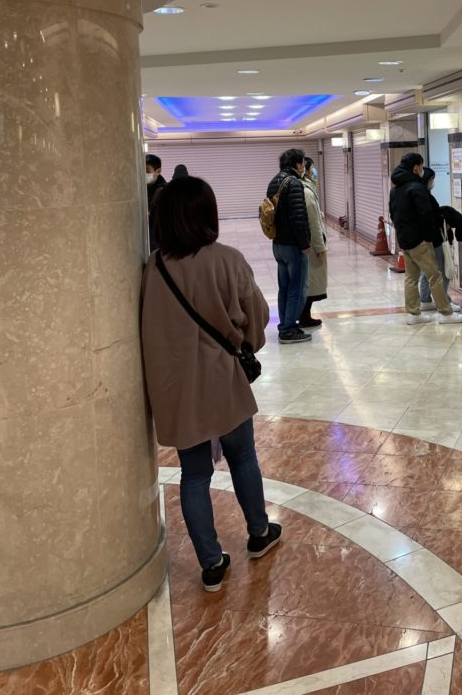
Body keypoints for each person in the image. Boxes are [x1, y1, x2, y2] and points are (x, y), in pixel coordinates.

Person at [140, 175, 281, 592]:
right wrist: (246, 343)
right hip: (222, 381)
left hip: (176, 389)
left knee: (194, 475)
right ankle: (259, 532)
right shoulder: (228, 260)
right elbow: (256, 318)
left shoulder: (153, 268)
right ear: (208, 215)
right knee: (243, 457)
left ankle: (211, 563)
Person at [388, 152, 462, 325]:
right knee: (435, 276)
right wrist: (428, 238)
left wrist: (403, 235)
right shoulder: (417, 188)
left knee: (411, 277)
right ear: (415, 167)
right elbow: (426, 216)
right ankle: (446, 313)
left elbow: (393, 214)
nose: (422, 169)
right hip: (420, 242)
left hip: (405, 241)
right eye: (421, 166)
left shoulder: (395, 189)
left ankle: (413, 314)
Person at [266, 148, 312, 344]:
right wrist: (305, 244)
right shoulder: (294, 183)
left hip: (278, 244)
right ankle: (289, 330)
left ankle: (284, 324)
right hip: (293, 245)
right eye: (302, 163)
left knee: (284, 287)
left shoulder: (273, 182)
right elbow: (298, 217)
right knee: (296, 288)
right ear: (298, 164)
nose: (304, 167)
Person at [418, 168, 462, 310]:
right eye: (432, 180)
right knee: (443, 271)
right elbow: (431, 218)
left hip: (423, 241)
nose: (433, 182)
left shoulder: (418, 195)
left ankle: (425, 300)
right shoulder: (426, 197)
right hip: (436, 241)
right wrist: (442, 222)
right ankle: (443, 302)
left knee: (427, 272)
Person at [298, 156, 328, 328]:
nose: (314, 171)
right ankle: (304, 316)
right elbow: (314, 224)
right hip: (310, 244)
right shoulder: (306, 191)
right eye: (312, 168)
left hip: (304, 242)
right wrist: (320, 248)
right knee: (311, 282)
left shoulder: (305, 188)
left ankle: (303, 315)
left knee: (308, 280)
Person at [145, 154, 167, 252]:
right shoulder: (141, 188)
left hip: (158, 245)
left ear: (158, 171)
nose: (144, 174)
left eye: (147, 170)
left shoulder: (165, 192)